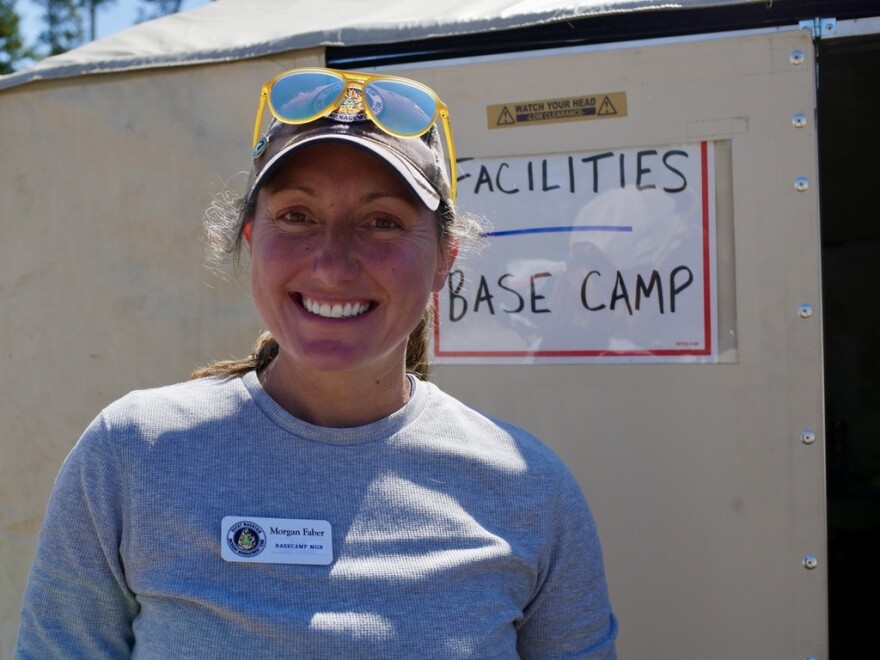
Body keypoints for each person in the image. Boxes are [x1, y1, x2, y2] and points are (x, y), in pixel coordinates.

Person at [16, 67, 618, 658]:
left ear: (443, 259)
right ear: (252, 239)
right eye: (298, 216)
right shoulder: (131, 456)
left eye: (381, 222)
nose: (332, 264)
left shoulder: (530, 491)